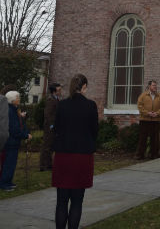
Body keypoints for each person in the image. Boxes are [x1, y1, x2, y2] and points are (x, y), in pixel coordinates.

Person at [52, 74, 98, 229]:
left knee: (61, 201)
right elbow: (94, 131)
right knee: (77, 201)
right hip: (82, 157)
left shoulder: (62, 104)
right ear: (84, 86)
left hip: (63, 156)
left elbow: (56, 128)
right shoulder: (90, 105)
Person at [0, 91, 32, 191]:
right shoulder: (10, 111)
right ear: (13, 100)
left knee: (11, 163)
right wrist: (25, 135)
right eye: (18, 97)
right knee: (9, 163)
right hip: (11, 141)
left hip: (12, 141)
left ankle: (8, 181)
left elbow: (19, 124)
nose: (19, 99)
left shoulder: (13, 109)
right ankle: (4, 183)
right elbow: (14, 128)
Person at [136, 80, 160, 160]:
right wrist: (147, 113)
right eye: (153, 85)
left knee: (155, 138)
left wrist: (157, 113)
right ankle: (140, 155)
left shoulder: (159, 96)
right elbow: (139, 106)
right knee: (143, 138)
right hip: (144, 120)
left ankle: (154, 154)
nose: (155, 87)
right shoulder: (143, 95)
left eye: (156, 85)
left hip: (155, 120)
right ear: (149, 86)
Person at [40, 82, 62, 171]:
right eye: (59, 90)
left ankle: (49, 165)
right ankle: (43, 166)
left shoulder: (56, 99)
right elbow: (48, 114)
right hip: (50, 127)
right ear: (54, 91)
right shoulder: (50, 100)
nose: (60, 91)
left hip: (53, 126)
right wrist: (51, 126)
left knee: (51, 146)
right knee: (47, 146)